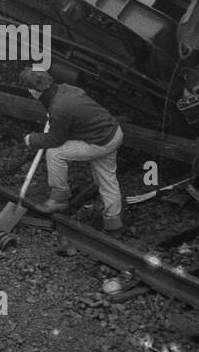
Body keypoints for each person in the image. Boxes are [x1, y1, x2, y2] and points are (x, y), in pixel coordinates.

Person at [20, 69, 125, 231]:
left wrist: (31, 139)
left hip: (100, 141)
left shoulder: (59, 108)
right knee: (106, 178)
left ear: (33, 91)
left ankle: (59, 199)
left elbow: (55, 140)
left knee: (55, 154)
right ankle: (113, 221)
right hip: (112, 132)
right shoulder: (66, 89)